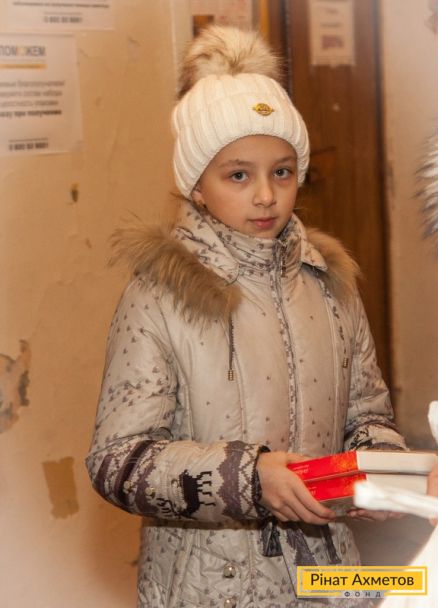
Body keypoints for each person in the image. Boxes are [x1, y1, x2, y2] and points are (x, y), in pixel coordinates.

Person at [86, 26, 407, 607]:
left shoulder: (330, 283)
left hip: (331, 580)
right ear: (197, 187)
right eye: (239, 175)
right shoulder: (159, 295)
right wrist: (250, 479)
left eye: (282, 172)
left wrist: (384, 471)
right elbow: (118, 463)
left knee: (417, 589)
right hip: (211, 589)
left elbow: (366, 415)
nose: (265, 195)